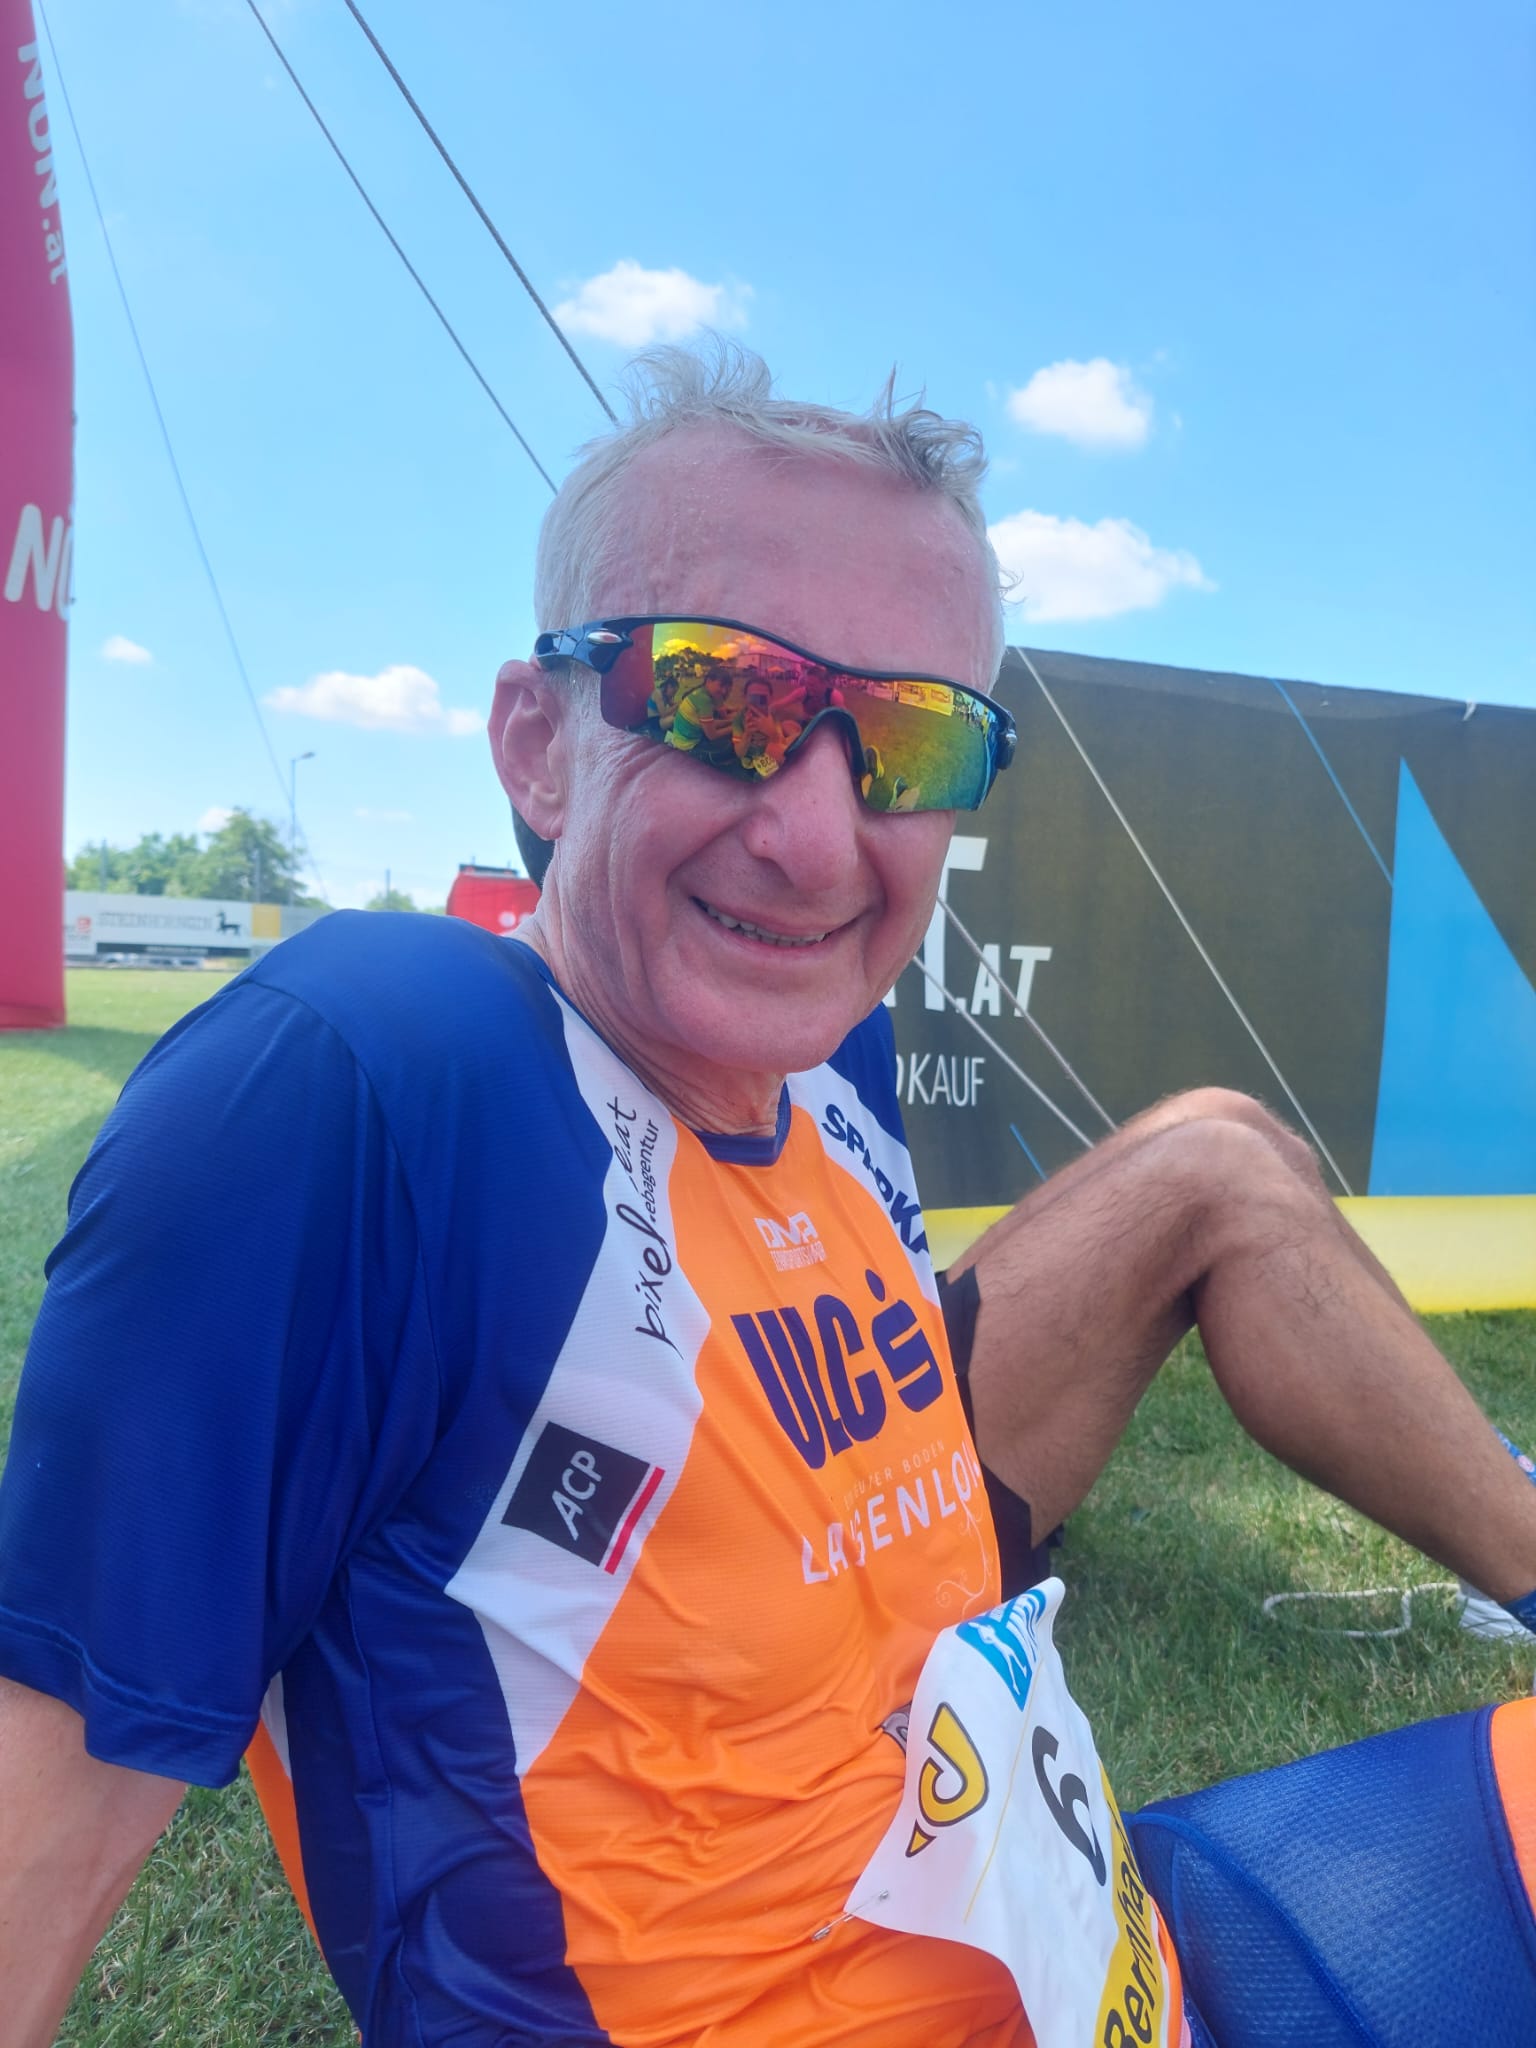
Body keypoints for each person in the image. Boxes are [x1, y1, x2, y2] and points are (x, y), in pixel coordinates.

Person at [1, 345, 1533, 2047]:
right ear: (537, 742)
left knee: (1219, 1156)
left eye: (912, 743)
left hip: (1102, 1952)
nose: (817, 838)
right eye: (723, 701)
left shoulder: (827, 1057)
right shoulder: (373, 1076)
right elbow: (40, 1811)